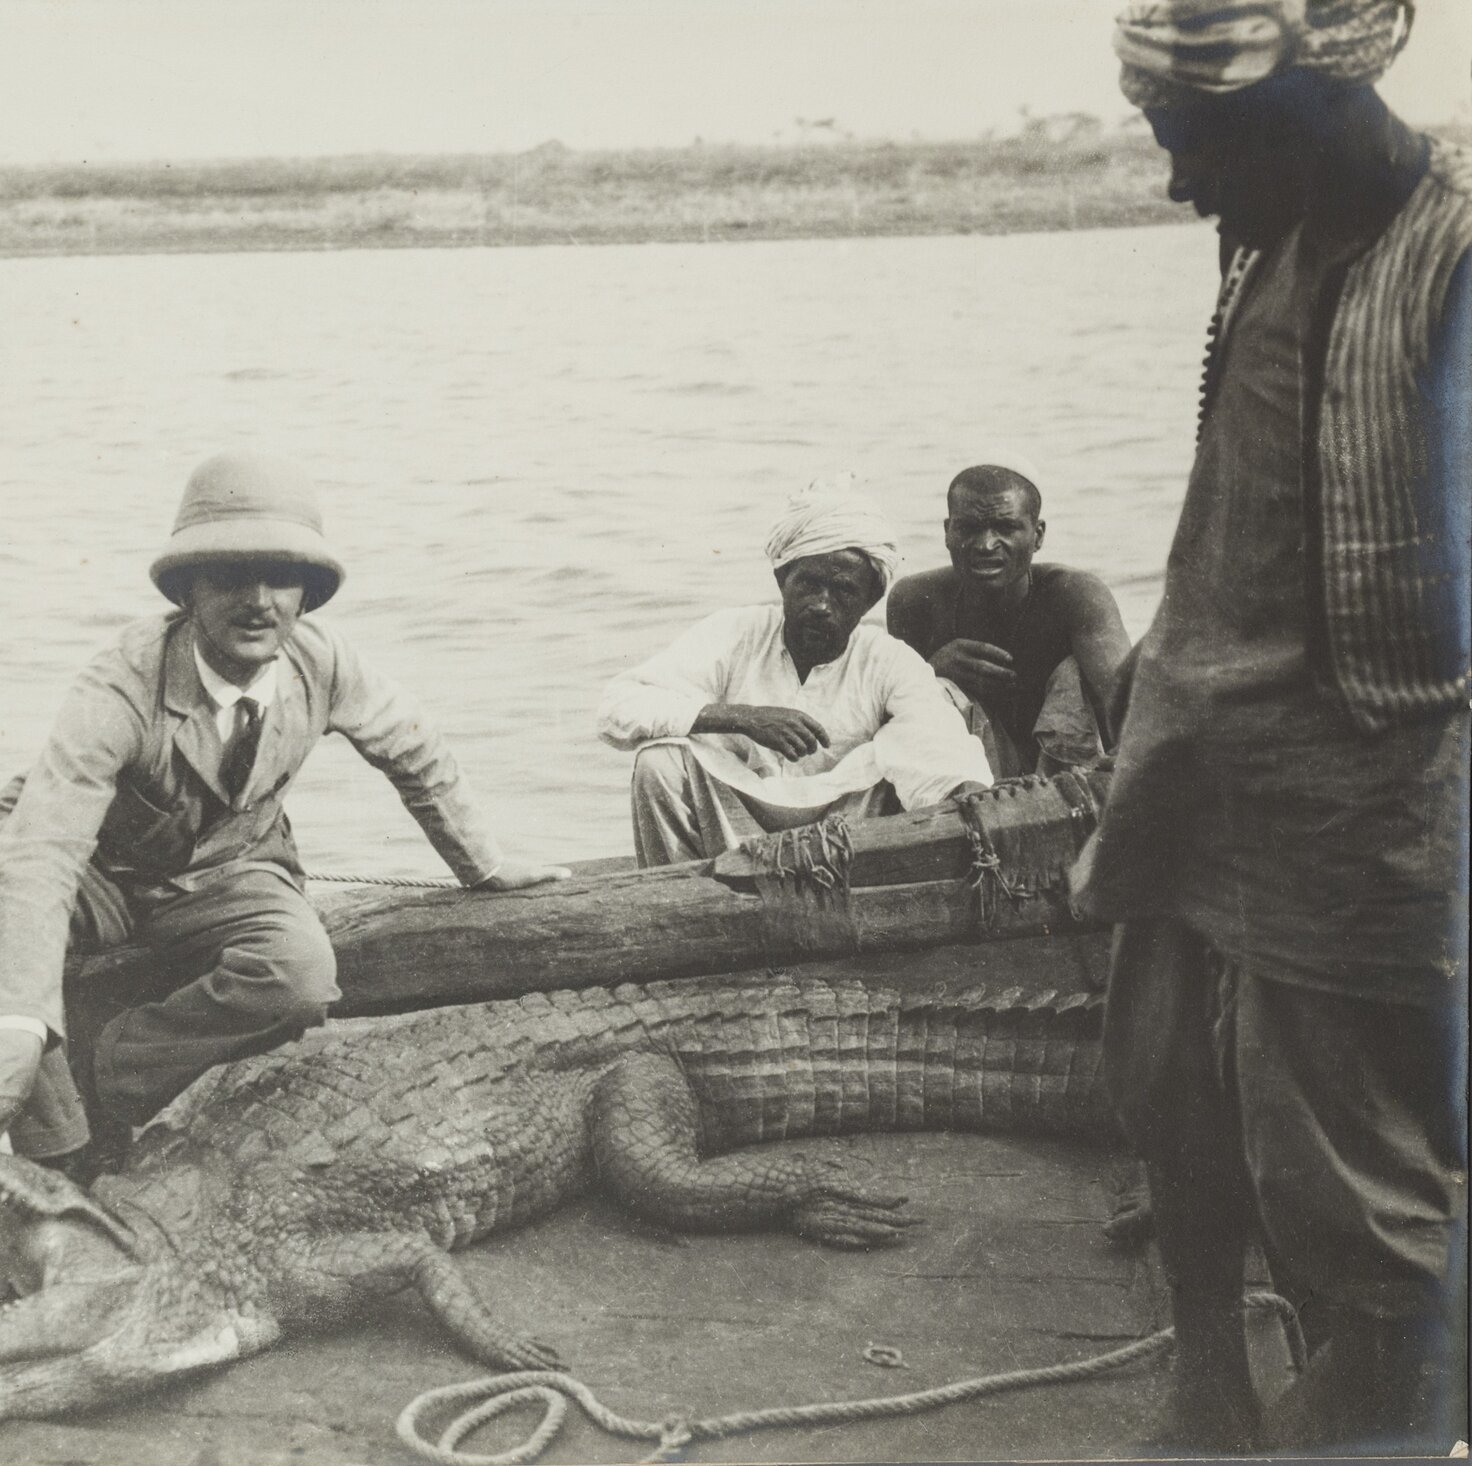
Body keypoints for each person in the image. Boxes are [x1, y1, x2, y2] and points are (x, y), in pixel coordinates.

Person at [1076, 0, 1470, 1452]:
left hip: (1365, 780)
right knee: (1169, 1079)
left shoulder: (1453, 251)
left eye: (1189, 141)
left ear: (1298, 110)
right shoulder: (1268, 230)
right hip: (1195, 751)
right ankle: (1210, 1386)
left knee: (1354, 1186)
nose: (1178, 182)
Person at [0, 451, 567, 1170]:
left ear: (306, 592)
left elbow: (414, 748)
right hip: (99, 867)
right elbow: (40, 853)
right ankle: (58, 1143)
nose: (258, 599)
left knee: (299, 977)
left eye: (281, 576)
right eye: (230, 574)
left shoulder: (325, 662)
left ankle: (110, 1072)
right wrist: (14, 1041)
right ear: (189, 590)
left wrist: (485, 865)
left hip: (231, 864)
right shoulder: (118, 685)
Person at [599, 473, 993, 866]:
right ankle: (678, 896)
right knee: (660, 760)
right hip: (733, 833)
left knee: (911, 752)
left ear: (871, 597)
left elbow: (940, 748)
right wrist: (743, 718)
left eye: (843, 590)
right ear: (781, 578)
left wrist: (984, 818)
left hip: (846, 842)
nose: (822, 605)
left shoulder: (888, 660)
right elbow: (618, 707)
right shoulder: (735, 632)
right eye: (808, 585)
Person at [886, 457, 1131, 776]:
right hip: (974, 780)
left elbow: (1131, 708)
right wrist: (931, 672)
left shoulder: (1075, 594)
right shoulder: (914, 600)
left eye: (1006, 527)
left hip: (1069, 772)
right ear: (948, 532)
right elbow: (892, 725)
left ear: (1038, 535)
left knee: (1075, 673)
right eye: (969, 528)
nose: (986, 545)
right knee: (928, 687)